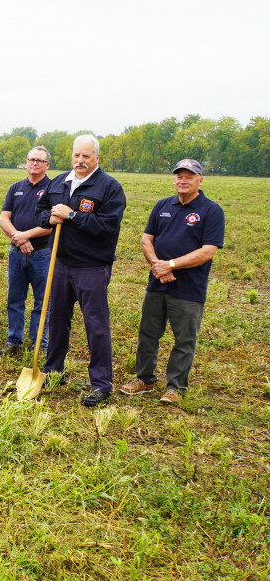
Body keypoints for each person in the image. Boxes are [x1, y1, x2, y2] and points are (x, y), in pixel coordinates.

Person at [120, 159, 224, 405]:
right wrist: (159, 266)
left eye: (189, 176)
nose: (183, 180)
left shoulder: (211, 210)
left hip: (188, 289)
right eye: (179, 176)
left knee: (184, 339)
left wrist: (172, 265)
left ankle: (176, 387)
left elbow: (208, 251)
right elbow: (147, 240)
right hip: (157, 283)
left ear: (200, 180)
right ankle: (144, 378)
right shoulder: (162, 205)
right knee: (148, 333)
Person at [36, 134, 126, 407]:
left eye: (86, 156)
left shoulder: (109, 187)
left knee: (96, 325)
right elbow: (40, 211)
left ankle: (101, 383)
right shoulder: (59, 182)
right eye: (76, 155)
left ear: (97, 158)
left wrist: (72, 216)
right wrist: (49, 217)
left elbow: (107, 227)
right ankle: (53, 371)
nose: (80, 161)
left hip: (91, 267)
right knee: (57, 318)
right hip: (60, 263)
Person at [0, 146, 54, 356]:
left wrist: (26, 236)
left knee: (42, 301)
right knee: (15, 299)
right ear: (27, 162)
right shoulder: (16, 188)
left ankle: (39, 344)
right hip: (17, 252)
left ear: (47, 165)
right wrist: (19, 240)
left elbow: (52, 224)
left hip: (42, 253)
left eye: (39, 160)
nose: (34, 163)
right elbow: (4, 219)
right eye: (31, 159)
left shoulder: (53, 189)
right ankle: (14, 342)